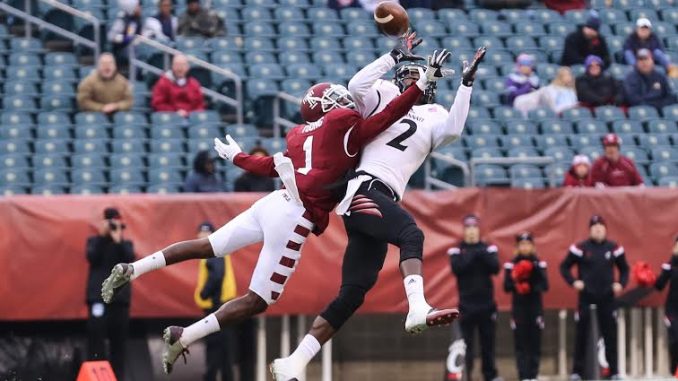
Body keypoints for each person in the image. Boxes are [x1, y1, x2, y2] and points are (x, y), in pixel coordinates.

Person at [101, 47, 438, 374]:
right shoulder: (344, 122)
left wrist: (237, 159)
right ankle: (186, 334)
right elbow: (388, 117)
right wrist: (419, 87)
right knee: (258, 299)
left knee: (210, 246)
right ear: (325, 106)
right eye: (333, 97)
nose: (341, 98)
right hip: (296, 216)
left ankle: (135, 268)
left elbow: (271, 165)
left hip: (272, 202)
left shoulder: (296, 134)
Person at [270, 40, 485, 380]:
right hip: (364, 188)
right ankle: (417, 306)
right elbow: (356, 85)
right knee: (410, 234)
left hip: (378, 200)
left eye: (420, 73)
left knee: (353, 294)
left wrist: (466, 84)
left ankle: (293, 362)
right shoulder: (383, 94)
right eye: (410, 73)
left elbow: (454, 131)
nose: (417, 78)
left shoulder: (435, 114)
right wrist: (393, 56)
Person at [560, 215, 629, 381]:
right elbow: (564, 267)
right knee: (581, 335)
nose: (598, 229)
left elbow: (625, 269)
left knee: (610, 336)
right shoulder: (581, 248)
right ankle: (577, 371)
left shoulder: (614, 248)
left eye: (601, 226)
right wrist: (574, 282)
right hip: (586, 298)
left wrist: (621, 283)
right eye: (594, 226)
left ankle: (614, 371)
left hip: (607, 299)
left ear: (605, 229)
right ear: (590, 230)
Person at [194, 222, 255, 381]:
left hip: (217, 307)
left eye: (205, 233)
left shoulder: (212, 251)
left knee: (215, 349)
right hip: (223, 305)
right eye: (200, 233)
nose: (202, 236)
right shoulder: (218, 249)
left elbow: (217, 275)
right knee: (223, 349)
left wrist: (205, 294)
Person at [448, 215, 501, 381]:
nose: (471, 232)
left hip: (487, 306)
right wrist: (474, 253)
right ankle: (466, 374)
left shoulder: (489, 249)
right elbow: (458, 268)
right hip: (466, 306)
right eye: (468, 228)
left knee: (488, 345)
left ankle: (490, 375)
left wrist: (479, 251)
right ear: (464, 231)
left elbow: (495, 267)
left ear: (478, 230)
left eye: (474, 228)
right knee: (467, 345)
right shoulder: (457, 251)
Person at [86, 207, 135, 380]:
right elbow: (92, 257)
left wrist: (118, 240)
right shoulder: (93, 241)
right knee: (95, 341)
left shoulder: (126, 245)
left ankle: (117, 377)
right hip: (98, 298)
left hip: (119, 300)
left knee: (118, 343)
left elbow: (129, 260)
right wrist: (101, 236)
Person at [503, 232, 549, 381]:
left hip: (535, 309)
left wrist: (531, 286)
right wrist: (518, 286)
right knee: (520, 344)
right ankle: (523, 376)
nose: (525, 247)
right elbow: (506, 286)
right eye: (522, 244)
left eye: (527, 244)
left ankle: (533, 375)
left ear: (532, 246)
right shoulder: (511, 264)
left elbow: (545, 285)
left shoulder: (539, 263)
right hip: (519, 309)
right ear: (517, 247)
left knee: (535, 343)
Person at [514, 67, 578, 116]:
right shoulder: (552, 88)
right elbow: (552, 105)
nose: (569, 77)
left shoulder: (571, 91)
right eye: (566, 75)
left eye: (570, 75)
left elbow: (573, 104)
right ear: (560, 76)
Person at [655, 237, 678, 376]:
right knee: (676, 338)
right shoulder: (671, 265)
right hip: (673, 311)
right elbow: (659, 286)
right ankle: (673, 368)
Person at [108, 0, 142, 69]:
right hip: (121, 50)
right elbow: (111, 37)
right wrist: (125, 38)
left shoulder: (136, 19)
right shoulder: (121, 21)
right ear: (131, 7)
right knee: (134, 51)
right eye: (137, 6)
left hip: (132, 47)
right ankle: (135, 75)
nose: (140, 8)